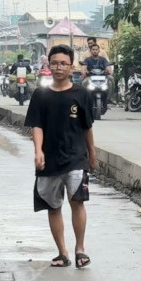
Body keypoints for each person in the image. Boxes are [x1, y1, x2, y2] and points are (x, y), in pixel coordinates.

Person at [24, 44, 95, 269]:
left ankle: (80, 249)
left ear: (71, 66)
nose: (58, 67)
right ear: (48, 65)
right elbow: (36, 125)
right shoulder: (40, 94)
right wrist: (38, 151)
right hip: (49, 160)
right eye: (54, 63)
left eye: (63, 63)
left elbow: (87, 127)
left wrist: (92, 154)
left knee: (77, 202)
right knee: (53, 206)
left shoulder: (81, 93)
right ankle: (62, 252)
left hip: (76, 157)